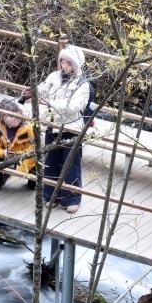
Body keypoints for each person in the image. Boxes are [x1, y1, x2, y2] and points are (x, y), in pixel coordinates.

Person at [24, 44, 90, 214]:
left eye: (68, 63)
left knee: (70, 165)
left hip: (72, 128)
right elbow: (44, 88)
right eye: (62, 62)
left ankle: (72, 198)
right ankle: (51, 195)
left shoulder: (82, 85)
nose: (64, 66)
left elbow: (75, 106)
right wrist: (33, 92)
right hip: (52, 126)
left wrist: (50, 103)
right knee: (51, 162)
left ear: (75, 65)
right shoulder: (54, 76)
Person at [0, 99, 37, 191]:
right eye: (10, 116)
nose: (15, 118)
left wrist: (19, 172)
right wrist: (2, 152)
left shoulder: (28, 129)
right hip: (4, 153)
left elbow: (32, 152)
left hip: (22, 154)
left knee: (36, 162)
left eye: (16, 114)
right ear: (2, 117)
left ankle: (33, 183)